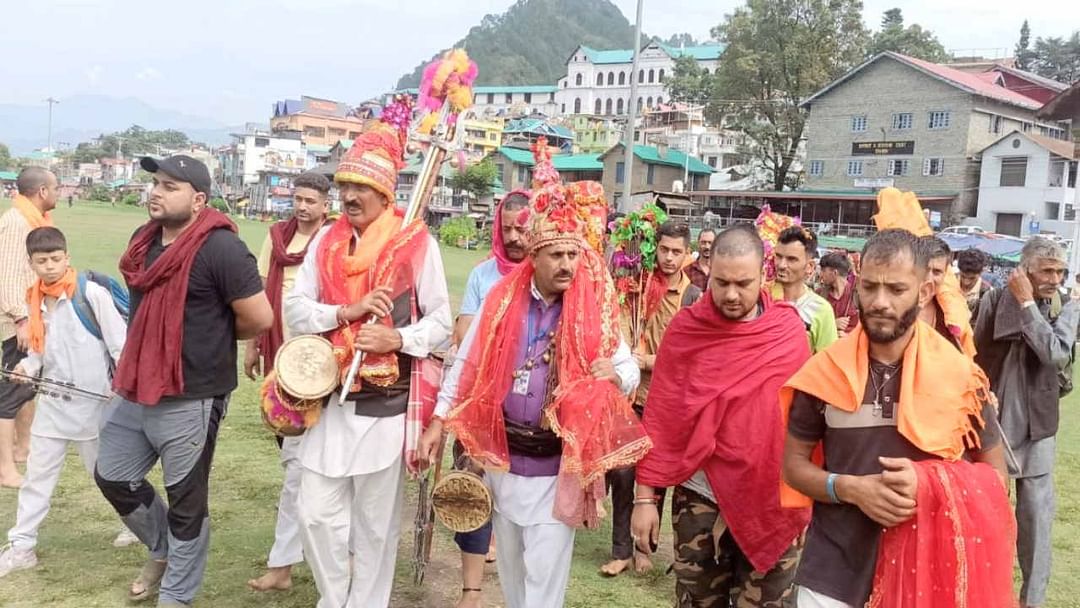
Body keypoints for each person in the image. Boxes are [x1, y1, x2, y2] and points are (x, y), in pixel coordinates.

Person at [420, 143, 648, 608]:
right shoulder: (501, 301)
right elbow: (465, 363)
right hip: (503, 459)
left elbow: (625, 366)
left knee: (544, 579)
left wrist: (614, 375)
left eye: (573, 254)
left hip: (554, 467)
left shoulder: (592, 309)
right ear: (535, 258)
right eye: (556, 255)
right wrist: (439, 421)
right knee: (513, 573)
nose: (567, 265)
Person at [782, 229, 1010, 608]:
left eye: (896, 290)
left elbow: (997, 480)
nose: (880, 302)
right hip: (832, 574)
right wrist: (851, 489)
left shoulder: (962, 378)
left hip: (929, 577)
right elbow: (793, 467)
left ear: (923, 292)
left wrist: (928, 484)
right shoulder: (823, 373)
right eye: (869, 287)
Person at [284, 120, 452, 608]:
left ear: (384, 193)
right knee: (314, 512)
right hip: (328, 397)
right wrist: (346, 313)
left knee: (376, 527)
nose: (351, 196)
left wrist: (397, 336)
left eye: (362, 187)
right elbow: (296, 309)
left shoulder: (416, 243)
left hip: (386, 404)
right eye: (346, 186)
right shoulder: (327, 242)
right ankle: (334, 598)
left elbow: (441, 319)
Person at [94, 155, 272, 607]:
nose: (156, 191)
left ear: (198, 200)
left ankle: (177, 597)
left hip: (193, 393)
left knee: (187, 502)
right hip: (138, 382)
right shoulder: (143, 242)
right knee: (113, 475)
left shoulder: (222, 249)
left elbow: (258, 318)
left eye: (170, 186)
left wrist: (202, 340)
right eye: (155, 183)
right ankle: (162, 549)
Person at [631, 225, 811, 606]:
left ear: (765, 274)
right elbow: (660, 418)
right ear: (708, 271)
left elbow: (805, 427)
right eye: (722, 282)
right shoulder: (686, 331)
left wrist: (805, 500)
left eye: (743, 283)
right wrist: (645, 500)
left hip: (772, 499)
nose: (731, 294)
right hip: (700, 496)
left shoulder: (787, 332)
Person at [0, 227, 135, 577]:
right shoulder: (34, 301)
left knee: (108, 476)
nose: (49, 267)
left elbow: (120, 347)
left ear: (67, 257)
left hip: (95, 407)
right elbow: (41, 353)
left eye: (55, 259)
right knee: (37, 479)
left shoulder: (90, 295)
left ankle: (138, 526)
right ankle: (22, 546)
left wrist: (121, 390)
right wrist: (27, 367)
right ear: (30, 263)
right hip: (52, 407)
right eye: (41, 261)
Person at [974, 237, 1080, 608]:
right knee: (987, 518)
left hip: (1038, 429)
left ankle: (1030, 602)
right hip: (994, 426)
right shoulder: (993, 299)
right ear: (1026, 269)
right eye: (1048, 270)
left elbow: (1054, 353)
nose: (1055, 278)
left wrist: (1027, 304)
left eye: (1061, 271)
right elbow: (977, 352)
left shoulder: (1067, 307)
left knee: (1035, 523)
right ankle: (987, 593)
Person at [244, 171, 331, 593]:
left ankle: (285, 565)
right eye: (298, 198)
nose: (302, 206)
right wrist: (252, 346)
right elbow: (262, 294)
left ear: (325, 204)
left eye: (311, 200)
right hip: (282, 357)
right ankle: (289, 564)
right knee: (293, 461)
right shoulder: (277, 237)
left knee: (301, 468)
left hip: (323, 365)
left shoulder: (333, 240)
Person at [448, 188, 531, 608]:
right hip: (478, 403)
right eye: (508, 229)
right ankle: (472, 591)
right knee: (470, 489)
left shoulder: (549, 276)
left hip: (527, 412)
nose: (516, 238)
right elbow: (464, 331)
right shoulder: (483, 276)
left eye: (523, 228)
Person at [603, 220, 700, 577]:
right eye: (664, 250)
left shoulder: (693, 297)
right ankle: (622, 549)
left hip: (670, 401)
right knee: (624, 471)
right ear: (653, 249)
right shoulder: (638, 288)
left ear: (687, 254)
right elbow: (620, 333)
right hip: (633, 396)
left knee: (655, 477)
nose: (670, 258)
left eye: (677, 252)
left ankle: (647, 547)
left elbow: (689, 353)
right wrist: (628, 360)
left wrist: (645, 361)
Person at [0, 167, 58, 488]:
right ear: (42, 193)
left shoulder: (33, 221)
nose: (59, 193)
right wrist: (21, 319)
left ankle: (24, 448)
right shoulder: (16, 223)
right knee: (10, 393)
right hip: (18, 322)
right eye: (56, 188)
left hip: (32, 317)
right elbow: (6, 277)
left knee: (27, 388)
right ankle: (5, 469)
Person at [771, 226, 838, 353]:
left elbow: (827, 363)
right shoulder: (761, 298)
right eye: (778, 256)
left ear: (810, 266)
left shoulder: (821, 310)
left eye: (791, 259)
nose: (781, 265)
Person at [816, 252, 857, 335]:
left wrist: (848, 337)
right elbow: (810, 325)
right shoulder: (819, 294)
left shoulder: (857, 295)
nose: (820, 274)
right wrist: (832, 324)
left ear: (834, 273)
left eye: (823, 271)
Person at [957, 249, 992, 321]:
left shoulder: (988, 294)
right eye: (963, 276)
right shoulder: (947, 282)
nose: (966, 282)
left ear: (981, 272)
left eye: (972, 278)